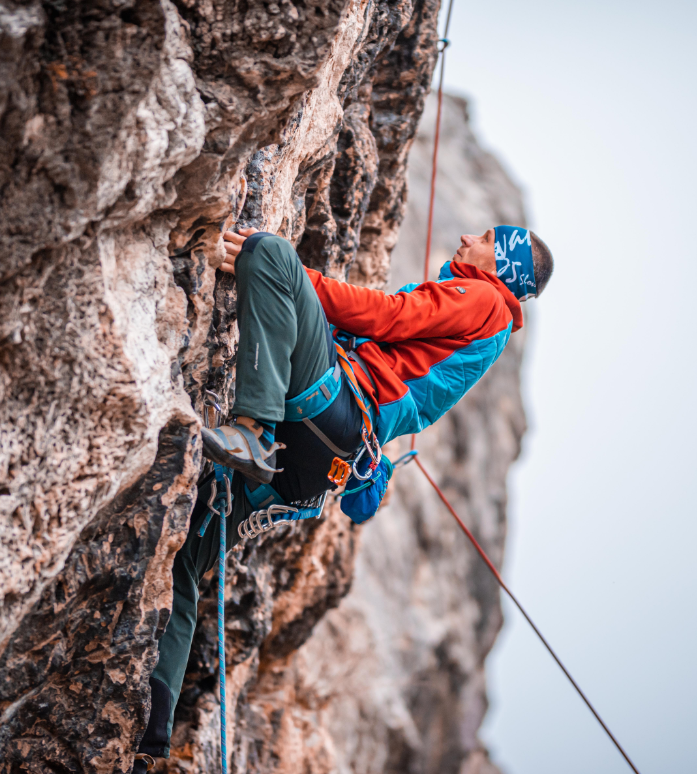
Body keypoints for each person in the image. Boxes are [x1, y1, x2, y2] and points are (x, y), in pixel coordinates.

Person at [132, 223, 553, 771]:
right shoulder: (484, 336)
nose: (470, 235)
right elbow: (405, 386)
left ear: (504, 264)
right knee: (185, 557)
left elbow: (387, 316)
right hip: (322, 463)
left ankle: (255, 430)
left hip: (330, 411)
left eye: (489, 238)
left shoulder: (482, 298)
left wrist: (293, 281)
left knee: (270, 253)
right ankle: (148, 741)